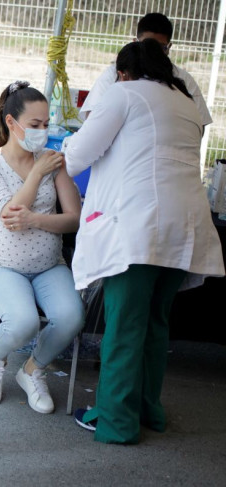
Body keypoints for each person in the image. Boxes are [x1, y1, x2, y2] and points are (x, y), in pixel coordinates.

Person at [64, 39, 225, 444]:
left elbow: (77, 156)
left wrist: (65, 145)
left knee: (125, 327)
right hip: (183, 228)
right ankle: (148, 410)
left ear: (124, 71)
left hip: (138, 229)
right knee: (156, 325)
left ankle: (116, 422)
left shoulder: (124, 92)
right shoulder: (185, 100)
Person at [0, 81, 85, 414]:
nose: (43, 131)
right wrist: (36, 173)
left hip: (49, 265)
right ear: (11, 123)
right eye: (35, 125)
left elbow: (74, 219)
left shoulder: (53, 162)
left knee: (71, 316)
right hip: (0, 265)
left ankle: (33, 370)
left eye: (46, 124)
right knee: (23, 322)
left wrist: (35, 219)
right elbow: (10, 216)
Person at [79, 12, 212, 131]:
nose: (151, 52)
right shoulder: (115, 73)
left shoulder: (184, 79)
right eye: (146, 45)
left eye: (158, 47)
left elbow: (199, 125)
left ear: (169, 47)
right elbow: (92, 117)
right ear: (134, 42)